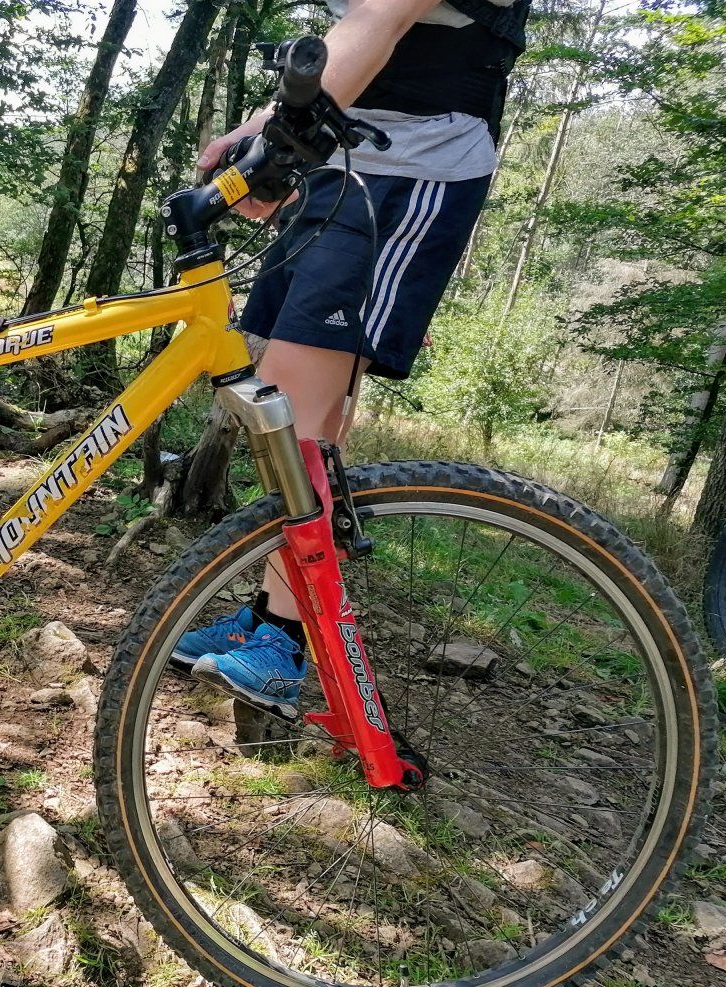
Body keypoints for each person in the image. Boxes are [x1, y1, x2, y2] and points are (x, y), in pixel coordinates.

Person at [176, 0, 530, 716]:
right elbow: (348, 45)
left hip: (414, 171)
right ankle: (274, 618)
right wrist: (259, 135)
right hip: (346, 162)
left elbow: (378, 20)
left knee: (294, 409)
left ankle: (283, 644)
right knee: (296, 408)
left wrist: (270, 148)